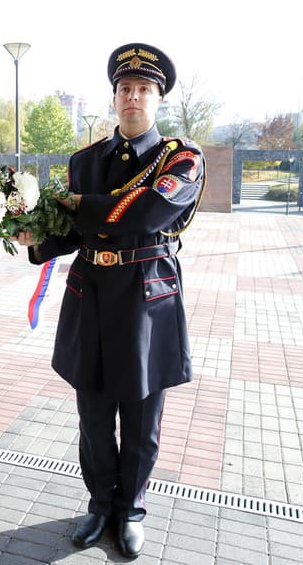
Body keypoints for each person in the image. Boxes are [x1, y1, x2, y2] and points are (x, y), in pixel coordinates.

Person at [15, 43, 204, 558]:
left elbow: (142, 215)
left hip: (147, 302)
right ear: (115, 98)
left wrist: (74, 206)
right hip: (91, 296)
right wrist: (35, 239)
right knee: (93, 416)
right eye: (125, 89)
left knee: (141, 419)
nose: (133, 97)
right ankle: (100, 504)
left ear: (158, 98)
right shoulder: (85, 161)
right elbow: (73, 233)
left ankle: (132, 510)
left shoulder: (182, 159)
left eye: (144, 89)